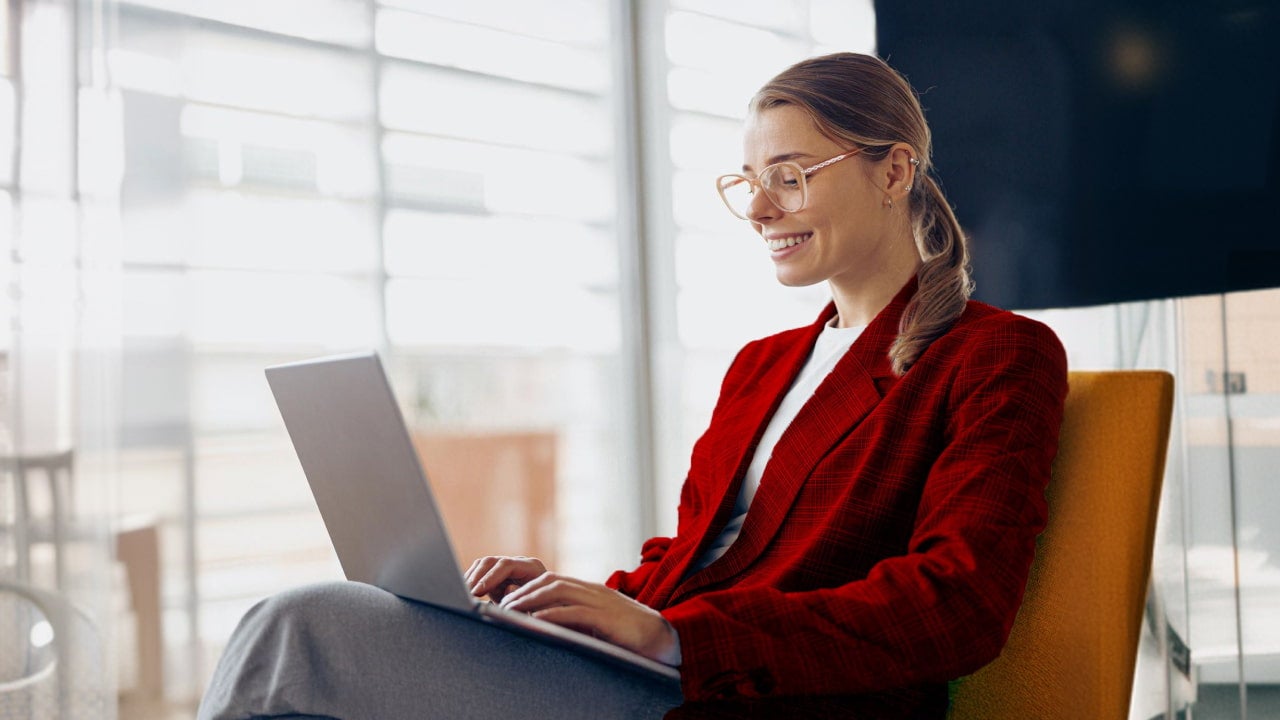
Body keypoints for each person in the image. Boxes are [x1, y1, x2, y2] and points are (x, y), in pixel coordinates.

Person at [196, 52, 1067, 720]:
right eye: (751, 183)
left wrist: (678, 638)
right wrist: (578, 602)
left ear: (893, 172)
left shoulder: (995, 356)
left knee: (304, 629)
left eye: (792, 176)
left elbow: (957, 602)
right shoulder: (762, 365)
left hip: (757, 691)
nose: (761, 209)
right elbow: (697, 556)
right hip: (664, 670)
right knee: (313, 635)